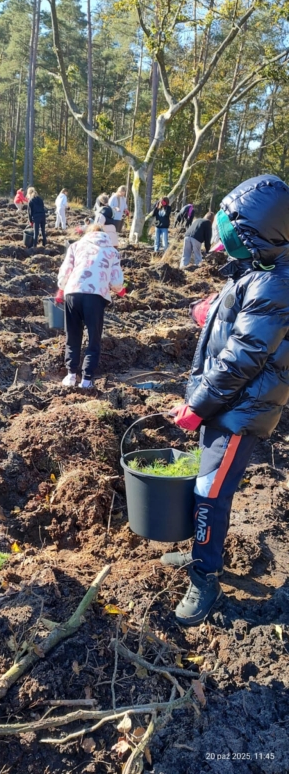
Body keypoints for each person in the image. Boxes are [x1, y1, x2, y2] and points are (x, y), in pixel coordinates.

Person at [165, 174, 289, 626]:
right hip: (227, 403)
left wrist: (197, 404)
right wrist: (213, 308)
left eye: (233, 228)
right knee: (208, 485)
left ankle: (205, 578)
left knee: (209, 491)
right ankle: (204, 552)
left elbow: (244, 356)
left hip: (240, 409)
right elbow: (239, 314)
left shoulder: (277, 282)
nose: (224, 236)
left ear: (258, 231)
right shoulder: (259, 269)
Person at [56, 224, 125, 388]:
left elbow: (64, 274)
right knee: (93, 338)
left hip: (73, 293)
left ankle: (71, 375)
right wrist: (118, 289)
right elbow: (116, 282)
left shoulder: (75, 246)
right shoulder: (112, 252)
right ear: (103, 235)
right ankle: (86, 380)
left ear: (88, 234)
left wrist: (63, 286)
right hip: (95, 296)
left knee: (72, 335)